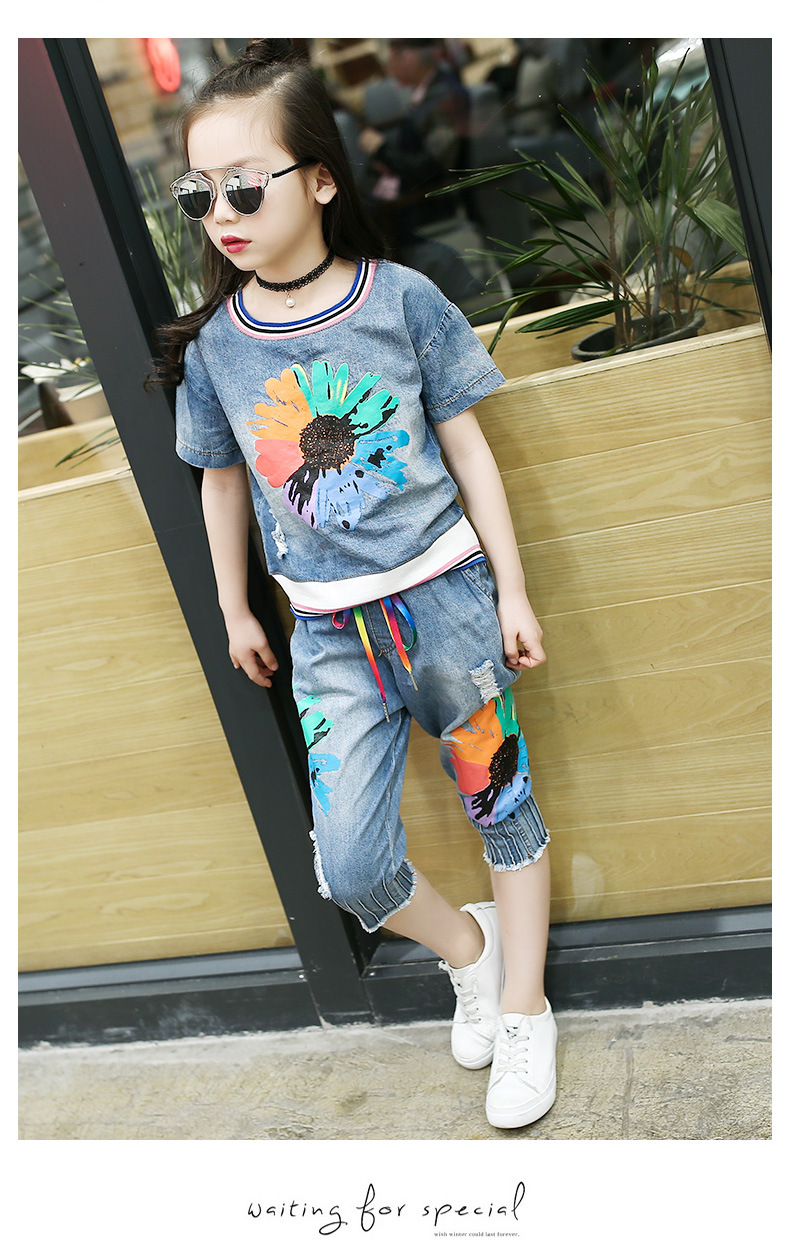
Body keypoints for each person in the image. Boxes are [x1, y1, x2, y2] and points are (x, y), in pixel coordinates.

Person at [155, 38, 556, 1131]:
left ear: (322, 179)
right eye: (199, 193)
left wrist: (511, 589)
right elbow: (222, 484)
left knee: (503, 809)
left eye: (247, 186)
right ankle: (470, 952)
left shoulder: (403, 300)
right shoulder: (218, 350)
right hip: (329, 639)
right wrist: (235, 606)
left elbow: (469, 450)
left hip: (447, 606)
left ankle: (525, 1009)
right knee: (352, 869)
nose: (222, 212)